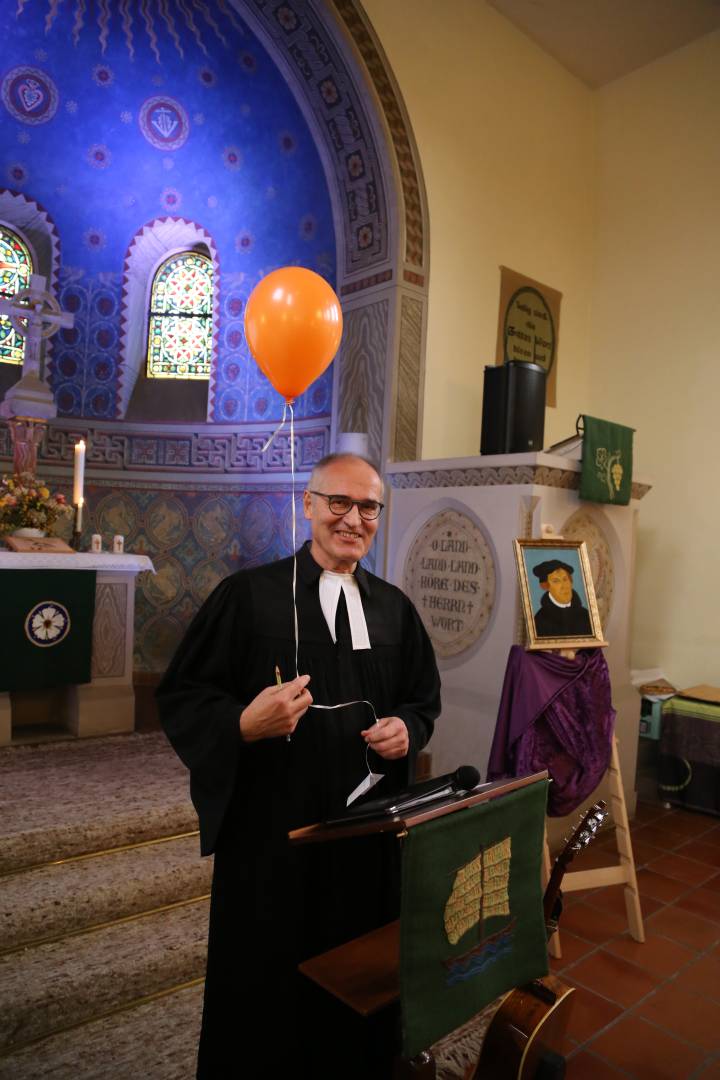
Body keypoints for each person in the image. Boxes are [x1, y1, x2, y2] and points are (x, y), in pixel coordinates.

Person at [157, 453, 441, 1078]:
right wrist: (239, 724)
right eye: (338, 502)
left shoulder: (394, 609)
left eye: (368, 508)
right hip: (273, 841)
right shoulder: (248, 597)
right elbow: (181, 694)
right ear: (308, 505)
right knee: (269, 982)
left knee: (358, 975)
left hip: (365, 841)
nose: (353, 519)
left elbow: (422, 697)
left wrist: (408, 728)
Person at [531, 558, 593, 637]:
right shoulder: (540, 620)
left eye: (565, 579)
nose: (564, 586)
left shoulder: (585, 615)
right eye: (556, 581)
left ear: (571, 582)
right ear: (546, 586)